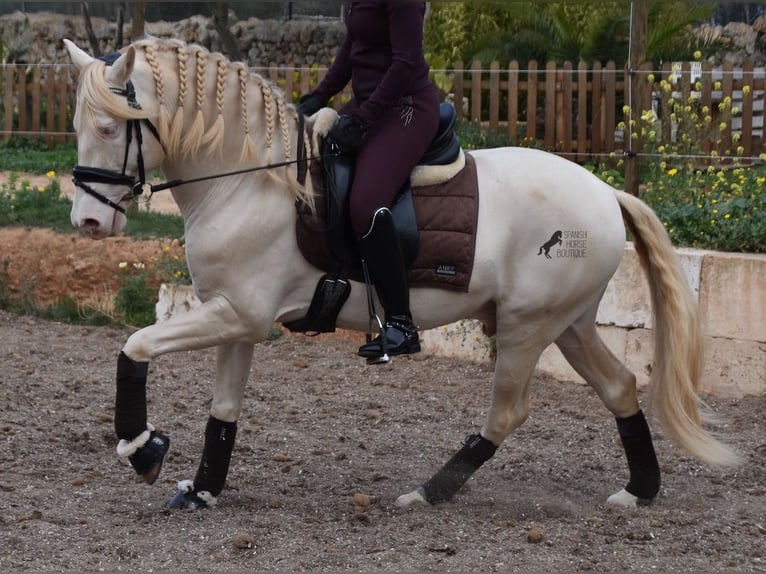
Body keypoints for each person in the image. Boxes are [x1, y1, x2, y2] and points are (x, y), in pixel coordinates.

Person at [297, 1, 440, 360]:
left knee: (365, 204)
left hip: (405, 107)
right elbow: (353, 49)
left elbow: (406, 62)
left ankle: (401, 324)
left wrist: (362, 120)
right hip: (370, 104)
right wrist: (318, 96)